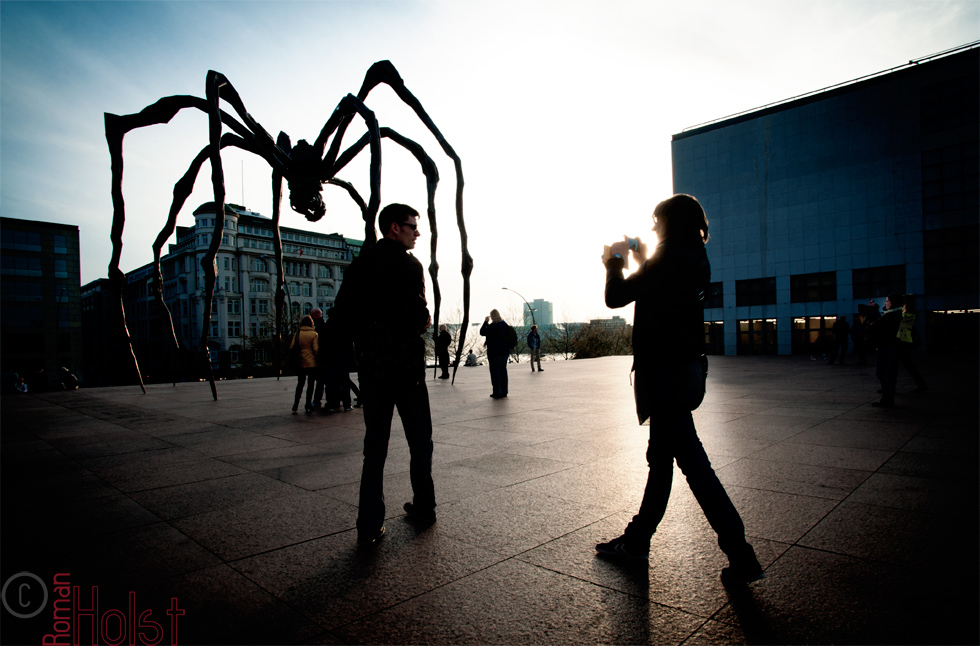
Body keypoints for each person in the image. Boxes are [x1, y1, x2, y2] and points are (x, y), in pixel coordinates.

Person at [597, 193, 763, 586]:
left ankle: (741, 554)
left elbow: (615, 296)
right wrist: (641, 258)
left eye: (656, 221)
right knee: (661, 460)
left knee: (694, 467)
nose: (652, 227)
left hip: (665, 377)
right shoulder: (693, 256)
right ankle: (638, 539)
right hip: (684, 371)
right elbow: (659, 289)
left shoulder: (669, 256)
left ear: (669, 222)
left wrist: (613, 261)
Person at [334, 203, 436, 545]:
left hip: (374, 368)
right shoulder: (409, 266)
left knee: (375, 446)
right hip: (406, 367)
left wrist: (361, 347)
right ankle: (424, 505)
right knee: (420, 440)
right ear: (394, 227)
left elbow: (341, 318)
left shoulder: (359, 265)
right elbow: (418, 316)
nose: (417, 232)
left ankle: (369, 523)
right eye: (412, 226)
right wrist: (422, 322)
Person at [865, 294, 903, 407]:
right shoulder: (894, 314)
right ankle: (888, 396)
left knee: (883, 372)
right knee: (886, 372)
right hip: (890, 346)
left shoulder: (893, 315)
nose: (885, 303)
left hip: (887, 345)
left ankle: (888, 398)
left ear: (893, 302)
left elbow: (879, 325)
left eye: (887, 301)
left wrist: (873, 311)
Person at [897, 295, 928, 393]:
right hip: (904, 342)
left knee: (904, 365)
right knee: (907, 365)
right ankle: (921, 385)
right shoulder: (910, 313)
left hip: (903, 342)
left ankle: (921, 385)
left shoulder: (908, 315)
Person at [290, 315, 319, 414]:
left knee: (300, 384)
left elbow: (292, 346)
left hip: (300, 362)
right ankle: (308, 404)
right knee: (310, 385)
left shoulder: (297, 334)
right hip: (311, 363)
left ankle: (296, 404)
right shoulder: (314, 334)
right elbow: (316, 349)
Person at [480, 309, 511, 398]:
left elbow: (482, 332)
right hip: (504, 352)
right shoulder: (504, 325)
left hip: (494, 352)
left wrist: (486, 322)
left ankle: (497, 391)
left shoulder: (492, 326)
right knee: (503, 371)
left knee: (495, 372)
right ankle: (504, 391)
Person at [309, 308, 332, 412]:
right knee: (326, 382)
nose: (312, 318)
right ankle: (330, 401)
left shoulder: (318, 328)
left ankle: (317, 401)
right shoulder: (325, 326)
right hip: (326, 358)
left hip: (320, 359)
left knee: (320, 382)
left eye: (312, 315)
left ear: (317, 315)